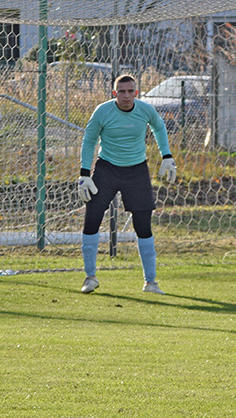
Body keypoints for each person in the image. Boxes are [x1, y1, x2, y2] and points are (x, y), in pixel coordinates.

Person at [77, 74, 176, 295]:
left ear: (136, 93)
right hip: (107, 169)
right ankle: (90, 277)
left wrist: (167, 156)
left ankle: (150, 282)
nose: (126, 95)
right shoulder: (102, 111)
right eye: (121, 91)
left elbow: (159, 127)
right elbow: (89, 139)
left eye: (130, 91)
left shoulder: (145, 110)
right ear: (114, 93)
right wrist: (84, 174)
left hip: (137, 170)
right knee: (92, 218)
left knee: (143, 226)